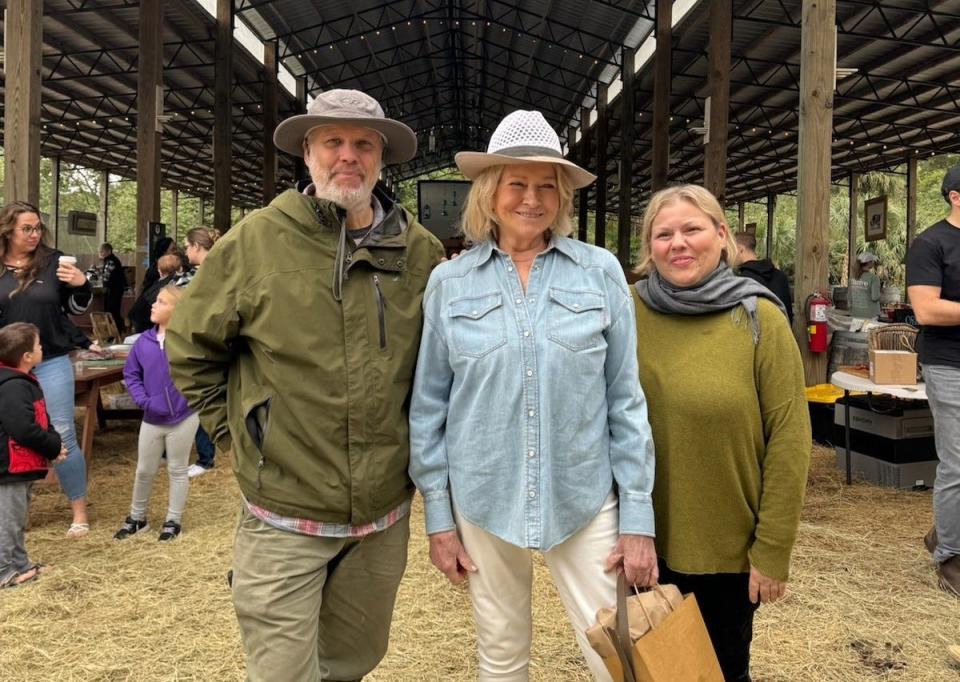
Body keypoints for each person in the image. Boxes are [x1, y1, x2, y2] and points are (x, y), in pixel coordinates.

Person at [165, 88, 444, 682]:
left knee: (352, 661)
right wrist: (241, 434)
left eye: (363, 143)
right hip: (284, 511)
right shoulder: (255, 241)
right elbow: (190, 348)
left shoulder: (420, 252)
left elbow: (437, 372)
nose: (349, 155)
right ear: (309, 152)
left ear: (383, 156)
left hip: (382, 516)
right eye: (333, 142)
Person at [409, 110, 657, 681]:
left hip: (584, 490)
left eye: (548, 184)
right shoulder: (450, 283)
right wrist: (439, 519)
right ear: (490, 192)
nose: (532, 197)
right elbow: (428, 409)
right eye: (517, 183)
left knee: (615, 652)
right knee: (500, 654)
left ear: (562, 196)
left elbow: (626, 401)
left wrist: (637, 515)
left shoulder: (600, 274)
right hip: (484, 492)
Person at [632, 185, 810, 682]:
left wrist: (772, 549)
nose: (678, 243)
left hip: (726, 548)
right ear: (650, 247)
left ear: (722, 235)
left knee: (720, 671)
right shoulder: (627, 311)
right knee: (648, 670)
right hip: (640, 539)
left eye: (692, 229)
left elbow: (790, 441)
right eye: (663, 234)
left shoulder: (760, 318)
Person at [0, 201, 93, 538]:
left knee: (63, 431)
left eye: (38, 227)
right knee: (12, 435)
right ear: (9, 230)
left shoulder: (53, 261)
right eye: (27, 228)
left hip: (50, 357)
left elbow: (74, 307)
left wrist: (82, 284)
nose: (35, 234)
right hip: (7, 364)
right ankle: (16, 512)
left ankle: (79, 511)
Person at [907, 164, 960, 597]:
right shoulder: (930, 243)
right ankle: (950, 559)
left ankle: (941, 534)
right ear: (955, 196)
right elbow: (925, 310)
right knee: (957, 463)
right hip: (949, 364)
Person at [115, 285, 198, 542]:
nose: (154, 305)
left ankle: (173, 521)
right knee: (144, 470)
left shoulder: (188, 341)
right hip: (152, 418)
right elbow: (131, 374)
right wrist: (144, 401)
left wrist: (189, 400)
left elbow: (201, 373)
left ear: (177, 309)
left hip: (184, 417)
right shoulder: (143, 342)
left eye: (161, 302)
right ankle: (137, 518)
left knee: (177, 468)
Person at [0, 323, 68, 588]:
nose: (42, 348)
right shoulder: (12, 386)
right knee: (7, 520)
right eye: (38, 346)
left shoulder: (23, 381)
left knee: (17, 518)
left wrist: (54, 443)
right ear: (27, 356)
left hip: (21, 467)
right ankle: (4, 572)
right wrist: (51, 446)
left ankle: (20, 564)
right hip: (8, 468)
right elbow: (23, 428)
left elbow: (40, 419)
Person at [176, 227, 220, 478]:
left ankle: (205, 457)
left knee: (199, 398)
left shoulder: (199, 277)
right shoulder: (220, 271)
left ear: (196, 246)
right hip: (207, 341)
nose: (185, 251)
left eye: (186, 245)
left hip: (200, 343)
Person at [733, 232, 793, 325]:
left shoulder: (742, 282)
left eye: (732, 249)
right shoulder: (780, 276)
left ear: (740, 249)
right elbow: (788, 314)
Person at [128, 253, 182, 333]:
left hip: (145, 319)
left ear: (160, 269)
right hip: (146, 318)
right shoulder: (173, 281)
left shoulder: (162, 282)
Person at [99, 242, 126, 333]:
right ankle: (117, 330)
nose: (101, 253)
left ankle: (115, 332)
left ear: (108, 251)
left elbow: (106, 277)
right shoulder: (113, 260)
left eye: (102, 251)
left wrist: (101, 284)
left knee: (112, 311)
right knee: (114, 311)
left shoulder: (110, 261)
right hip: (116, 289)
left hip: (113, 290)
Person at [849, 251, 881, 319]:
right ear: (869, 263)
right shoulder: (874, 278)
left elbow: (849, 297)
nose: (874, 262)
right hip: (870, 315)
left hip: (855, 314)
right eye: (872, 261)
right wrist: (881, 293)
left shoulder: (852, 278)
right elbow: (875, 297)